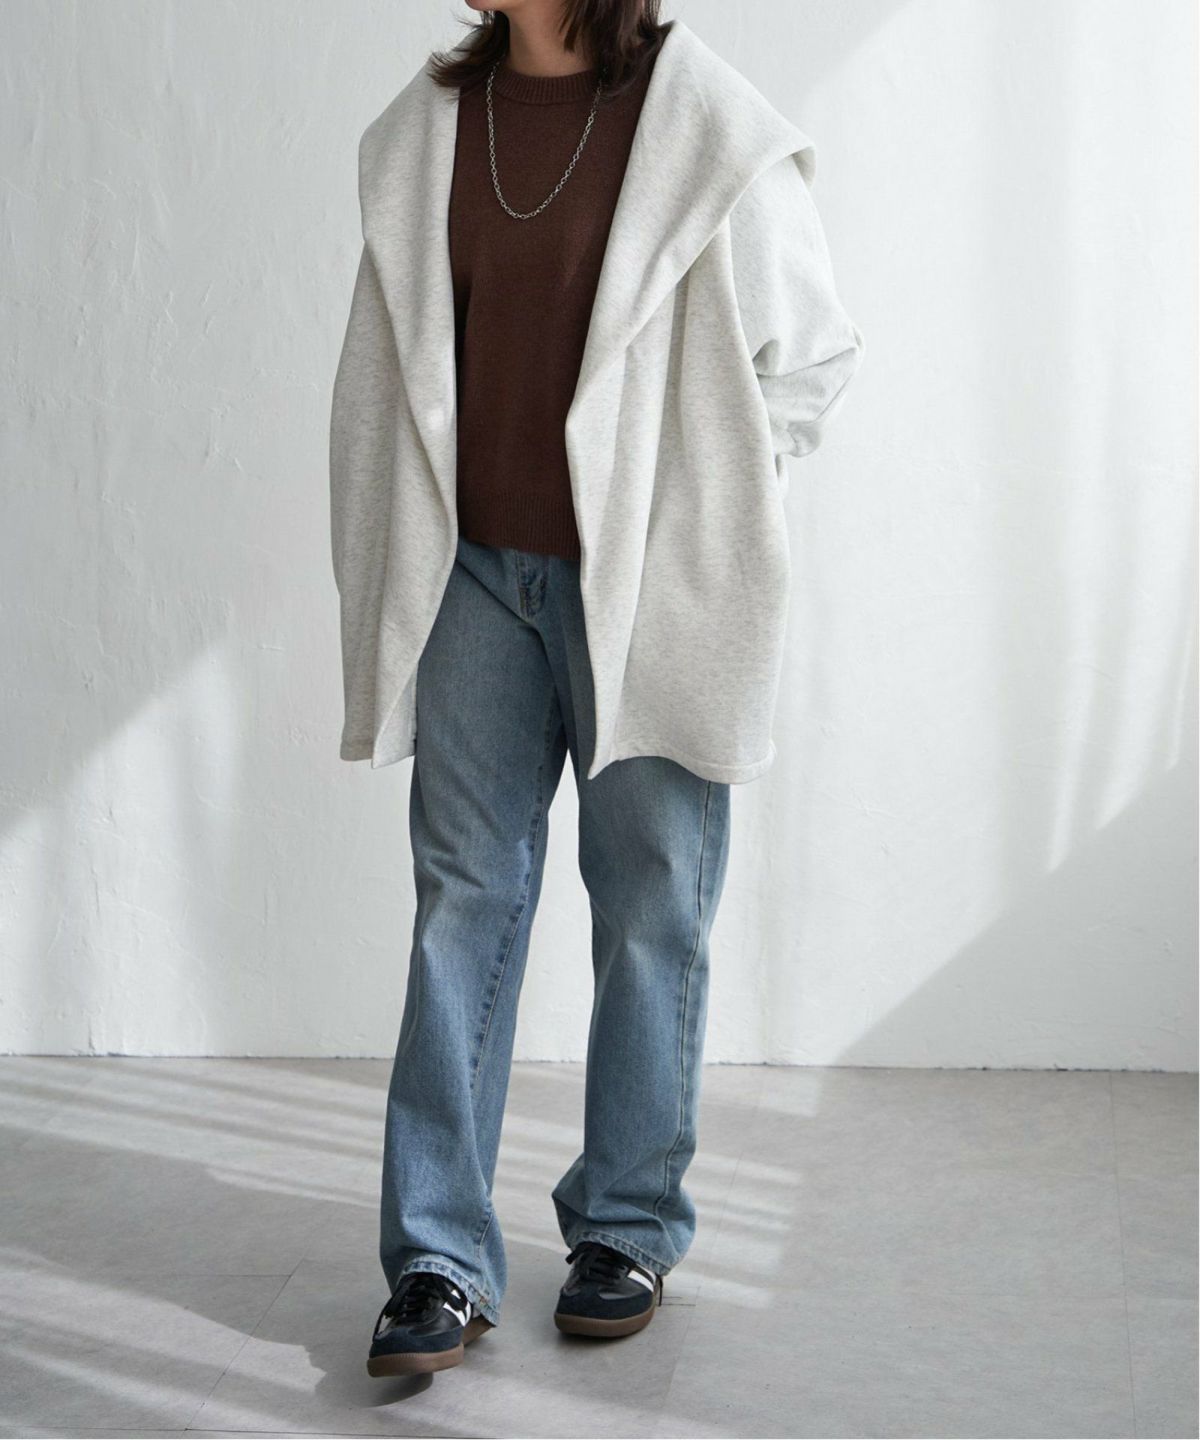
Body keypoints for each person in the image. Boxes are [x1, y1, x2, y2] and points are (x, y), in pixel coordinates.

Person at [329, 0, 864, 1379]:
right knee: (464, 899)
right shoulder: (429, 128)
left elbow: (809, 358)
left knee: (651, 904)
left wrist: (712, 508)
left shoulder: (702, 125)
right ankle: (437, 1256)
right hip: (470, 575)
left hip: (649, 592)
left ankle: (627, 1226)